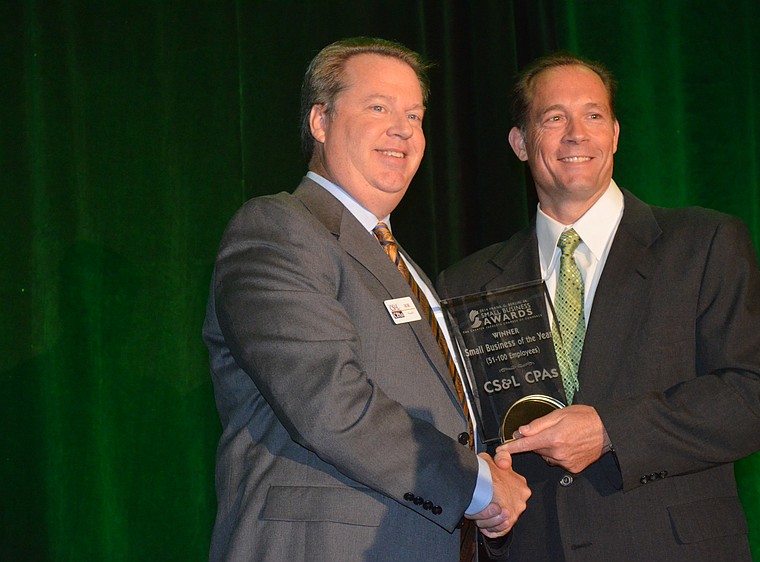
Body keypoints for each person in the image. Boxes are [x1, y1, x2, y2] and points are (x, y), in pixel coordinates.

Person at [437, 52, 760, 561]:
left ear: (616, 135)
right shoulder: (466, 283)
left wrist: (611, 431)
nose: (576, 134)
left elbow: (759, 399)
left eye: (594, 115)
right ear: (520, 142)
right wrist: (480, 490)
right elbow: (463, 427)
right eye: (554, 117)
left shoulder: (704, 243)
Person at [202, 37, 528, 562]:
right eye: (378, 107)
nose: (403, 128)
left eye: (416, 115)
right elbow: (330, 403)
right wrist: (479, 486)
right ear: (320, 122)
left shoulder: (406, 268)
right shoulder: (277, 229)